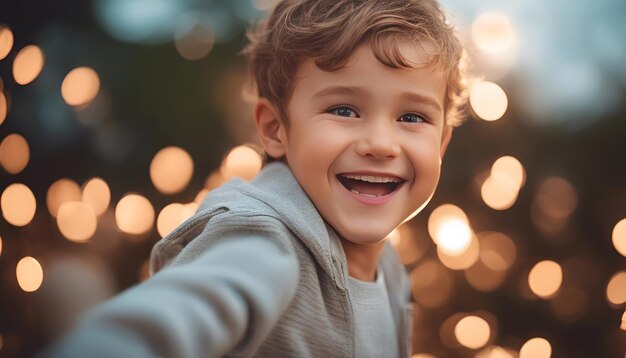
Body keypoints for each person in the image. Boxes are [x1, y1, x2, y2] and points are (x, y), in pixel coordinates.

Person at [44, 0, 469, 356]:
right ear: (274, 129)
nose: (381, 144)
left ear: (443, 144)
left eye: (412, 117)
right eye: (343, 109)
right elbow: (170, 320)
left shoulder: (391, 271)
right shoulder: (262, 239)